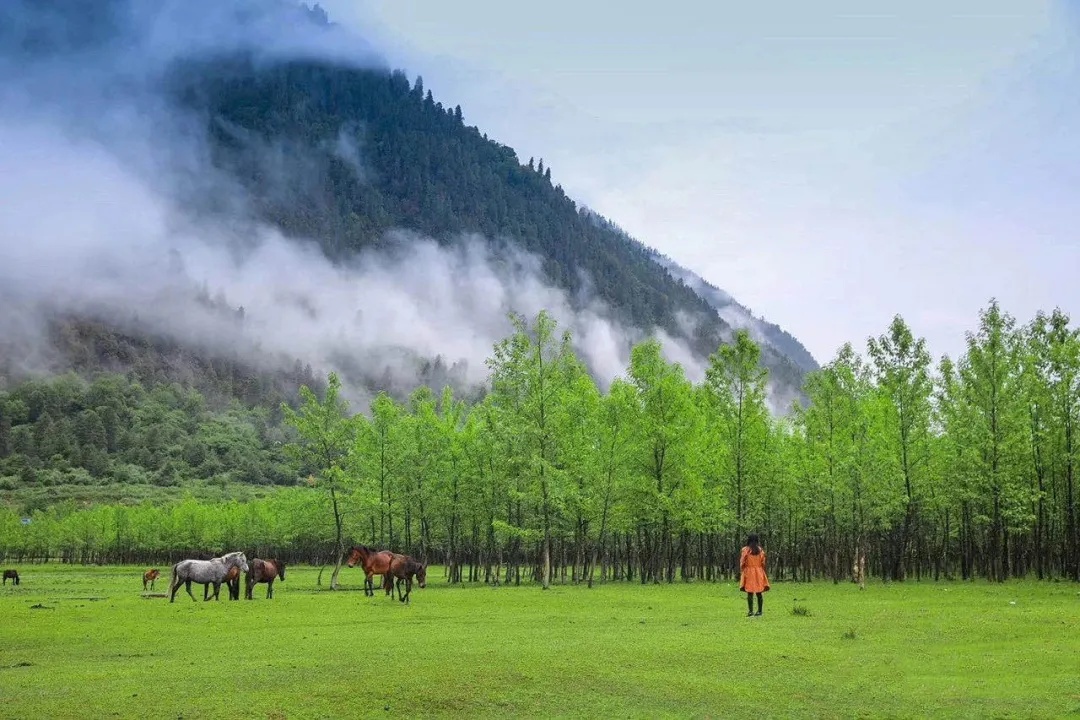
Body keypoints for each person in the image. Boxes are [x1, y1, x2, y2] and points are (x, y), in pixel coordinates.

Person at [740, 533, 769, 616]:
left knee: (749, 592)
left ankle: (750, 611)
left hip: (749, 572)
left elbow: (742, 561)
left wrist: (743, 569)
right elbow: (763, 562)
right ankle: (760, 611)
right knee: (759, 592)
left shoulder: (745, 550)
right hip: (759, 572)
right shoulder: (760, 550)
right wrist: (761, 569)